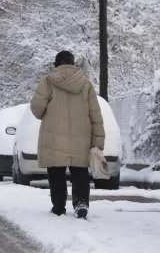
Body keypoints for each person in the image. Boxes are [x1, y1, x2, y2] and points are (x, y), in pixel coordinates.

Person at [30, 51, 105, 219]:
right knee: (80, 171)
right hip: (81, 137)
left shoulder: (48, 81)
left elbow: (37, 109)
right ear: (73, 64)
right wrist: (98, 140)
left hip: (54, 137)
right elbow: (96, 114)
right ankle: (81, 204)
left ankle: (58, 205)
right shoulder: (85, 83)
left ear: (56, 64)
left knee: (56, 171)